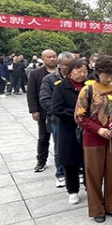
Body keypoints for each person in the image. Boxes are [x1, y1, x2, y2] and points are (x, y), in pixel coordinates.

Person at [75, 56, 112, 223]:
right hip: (93, 139)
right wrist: (98, 129)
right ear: (98, 71)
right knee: (94, 175)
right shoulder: (88, 90)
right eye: (106, 74)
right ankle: (97, 210)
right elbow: (79, 117)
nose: (109, 78)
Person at [51, 59, 89, 206]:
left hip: (88, 130)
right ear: (70, 72)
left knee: (89, 161)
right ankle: (73, 191)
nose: (82, 74)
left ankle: (90, 188)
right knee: (70, 162)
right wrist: (77, 115)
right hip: (68, 130)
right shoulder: (61, 87)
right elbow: (57, 109)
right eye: (79, 71)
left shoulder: (89, 86)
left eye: (85, 71)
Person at [39, 52, 74, 188]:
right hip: (58, 119)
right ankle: (61, 174)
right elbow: (44, 99)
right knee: (60, 147)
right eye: (65, 65)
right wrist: (61, 111)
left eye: (71, 65)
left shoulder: (78, 77)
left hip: (76, 118)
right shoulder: (49, 79)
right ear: (59, 64)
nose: (68, 68)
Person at [27, 49, 58, 172]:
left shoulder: (63, 72)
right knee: (43, 137)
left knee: (60, 139)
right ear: (43, 59)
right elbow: (31, 93)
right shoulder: (36, 74)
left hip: (59, 111)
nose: (52, 59)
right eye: (48, 57)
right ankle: (41, 161)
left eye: (54, 56)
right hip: (43, 111)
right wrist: (34, 110)